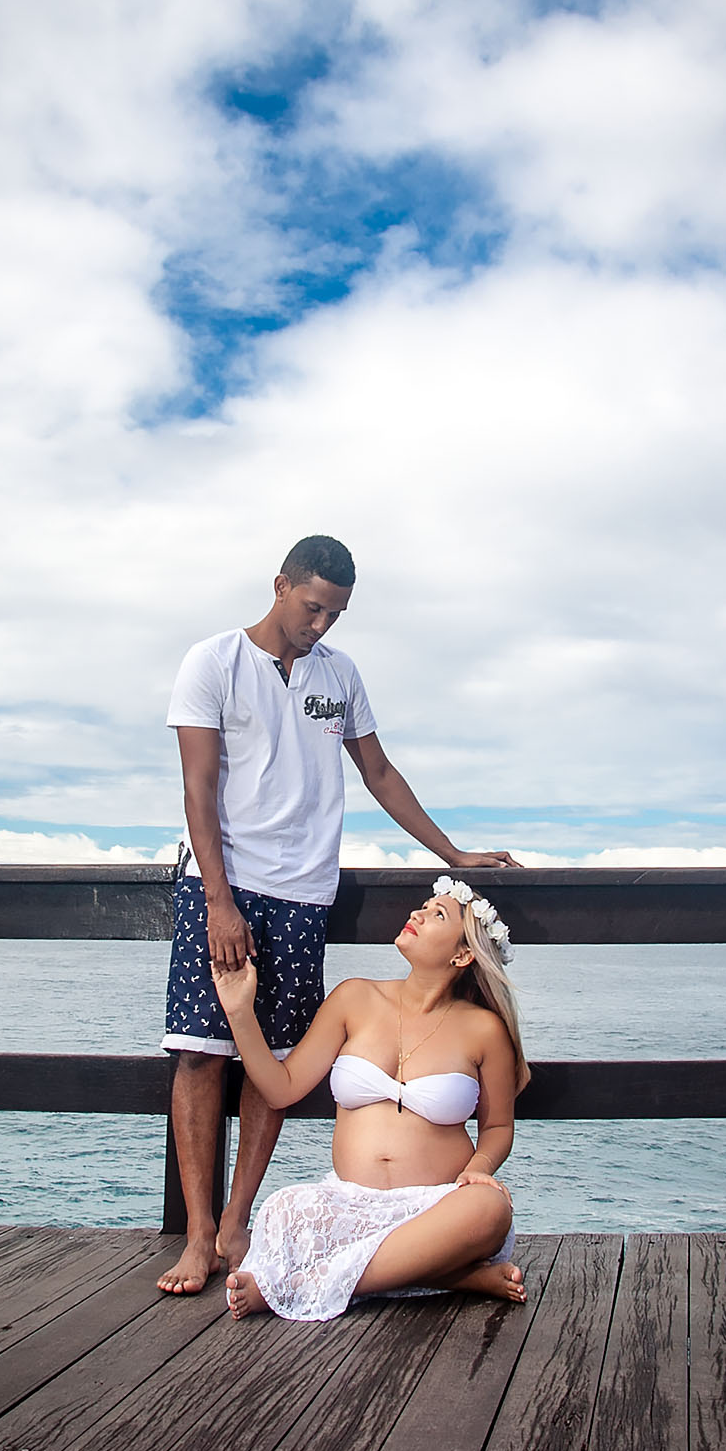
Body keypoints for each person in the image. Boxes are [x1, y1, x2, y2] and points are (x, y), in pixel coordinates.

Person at [158, 535, 522, 1296]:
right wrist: (219, 901)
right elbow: (198, 787)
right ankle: (195, 1237)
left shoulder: (340, 675)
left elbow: (380, 773)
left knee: (278, 1060)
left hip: (303, 891)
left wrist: (453, 854)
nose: (322, 625)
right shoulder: (212, 662)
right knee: (200, 1052)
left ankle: (237, 1221)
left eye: (336, 614)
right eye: (313, 607)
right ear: (282, 585)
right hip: (221, 884)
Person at [211, 877, 530, 1320]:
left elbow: (497, 1127)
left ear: (463, 954)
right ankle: (451, 1276)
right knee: (285, 1209)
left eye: (438, 914)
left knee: (491, 1209)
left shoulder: (484, 1030)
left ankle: (303, 1283)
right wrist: (240, 1012)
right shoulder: (354, 997)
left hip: (434, 1208)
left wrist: (477, 1171)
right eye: (423, 905)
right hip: (349, 1205)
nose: (417, 913)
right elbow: (281, 1088)